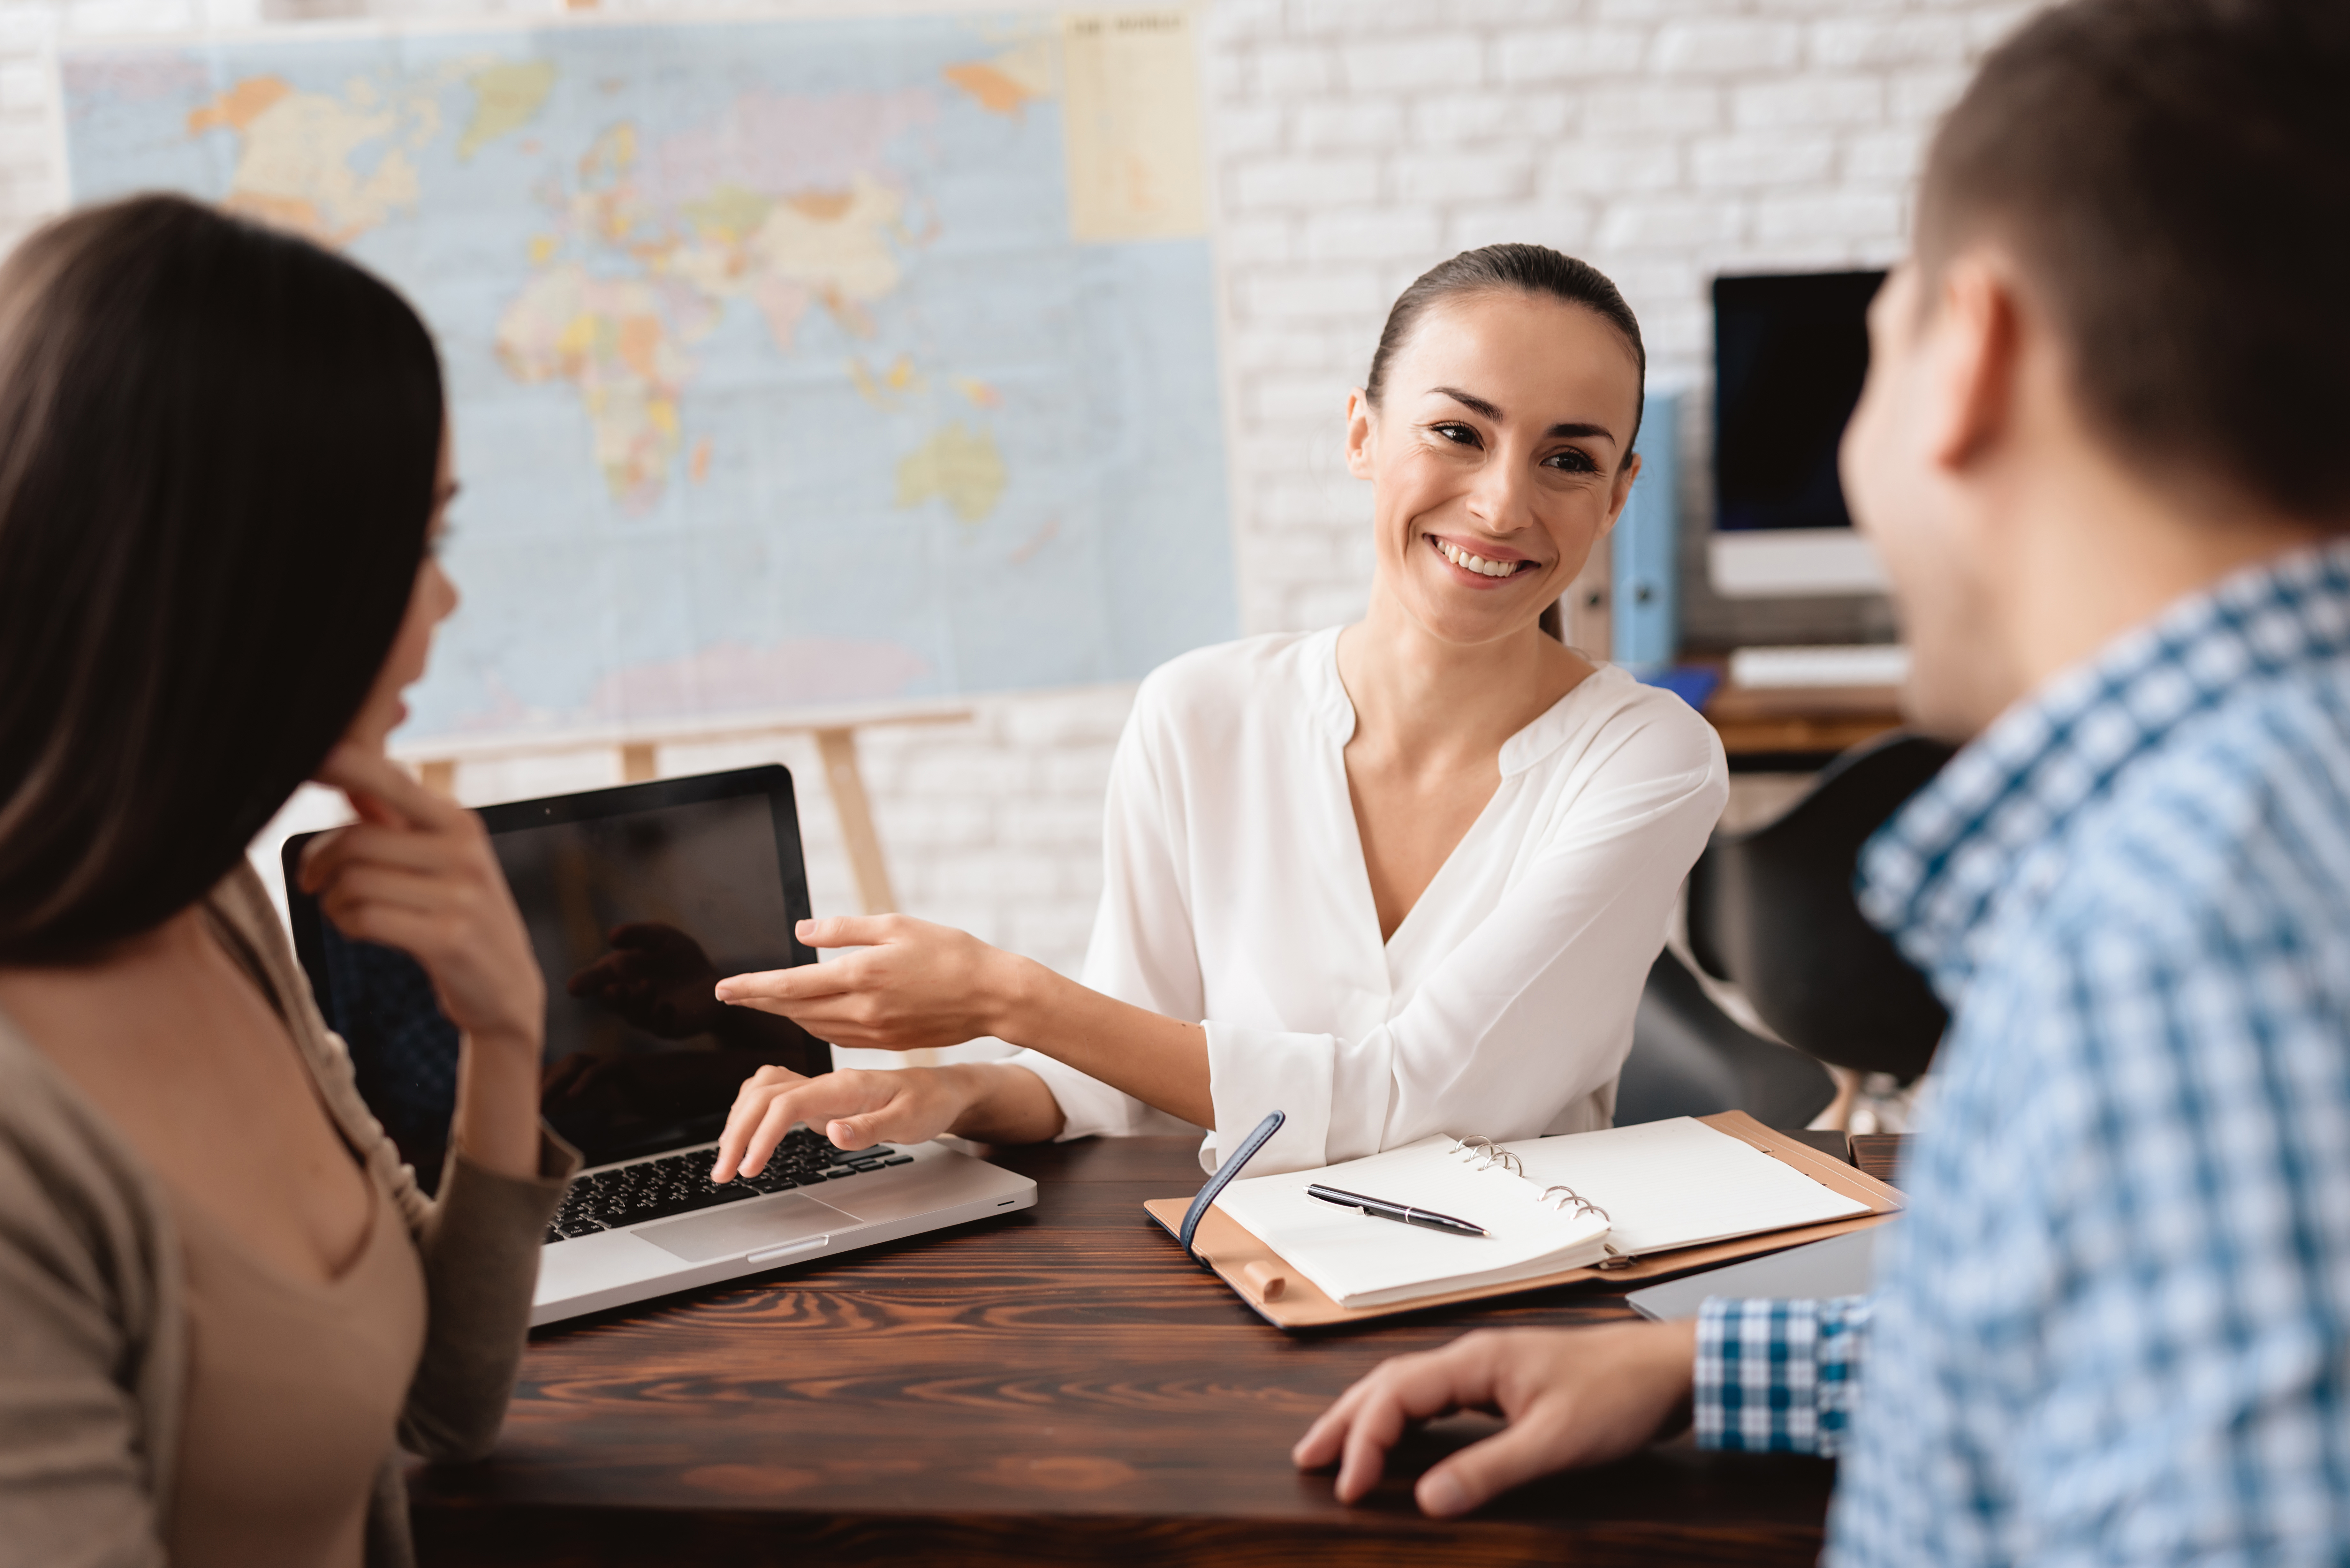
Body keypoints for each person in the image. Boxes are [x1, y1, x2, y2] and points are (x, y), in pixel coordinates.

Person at [1296, 0, 2350, 1558]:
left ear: (1969, 356)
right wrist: (1699, 1365)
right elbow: (2111, 1345)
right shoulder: (2262, 819)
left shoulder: (2187, 926)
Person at [703, 245, 1729, 1183]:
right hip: (1238, 1292)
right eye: (1458, 432)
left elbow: (1417, 1107)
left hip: (1519, 1319)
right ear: (1363, 435)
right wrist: (949, 1092)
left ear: (1619, 494)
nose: (1504, 506)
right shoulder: (1199, 713)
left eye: (1568, 459)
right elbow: (1123, 1075)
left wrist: (1009, 996)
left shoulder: (1648, 758)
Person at [0, 195, 575, 1567]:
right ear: (258, 579)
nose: (443, 607)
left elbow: (443, 1399)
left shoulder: (211, 902)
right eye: (419, 545)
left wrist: (504, 1034)